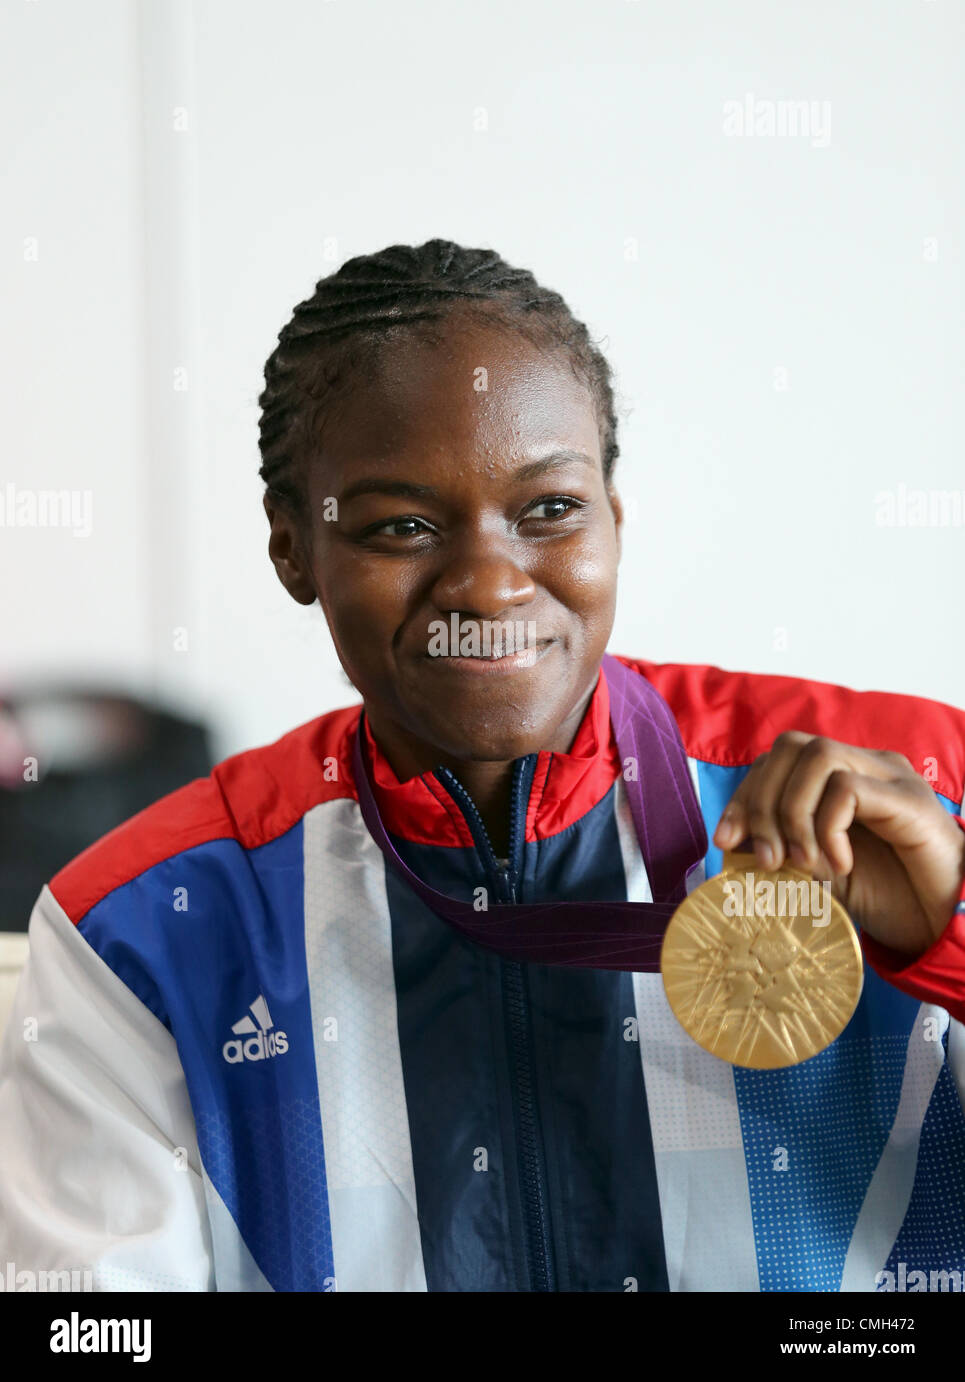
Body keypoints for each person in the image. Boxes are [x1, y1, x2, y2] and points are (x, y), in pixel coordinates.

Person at [2, 238, 965, 1293]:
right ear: (291, 547)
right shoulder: (143, 926)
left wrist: (949, 937)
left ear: (612, 514)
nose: (488, 586)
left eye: (548, 510)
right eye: (402, 526)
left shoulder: (916, 790)